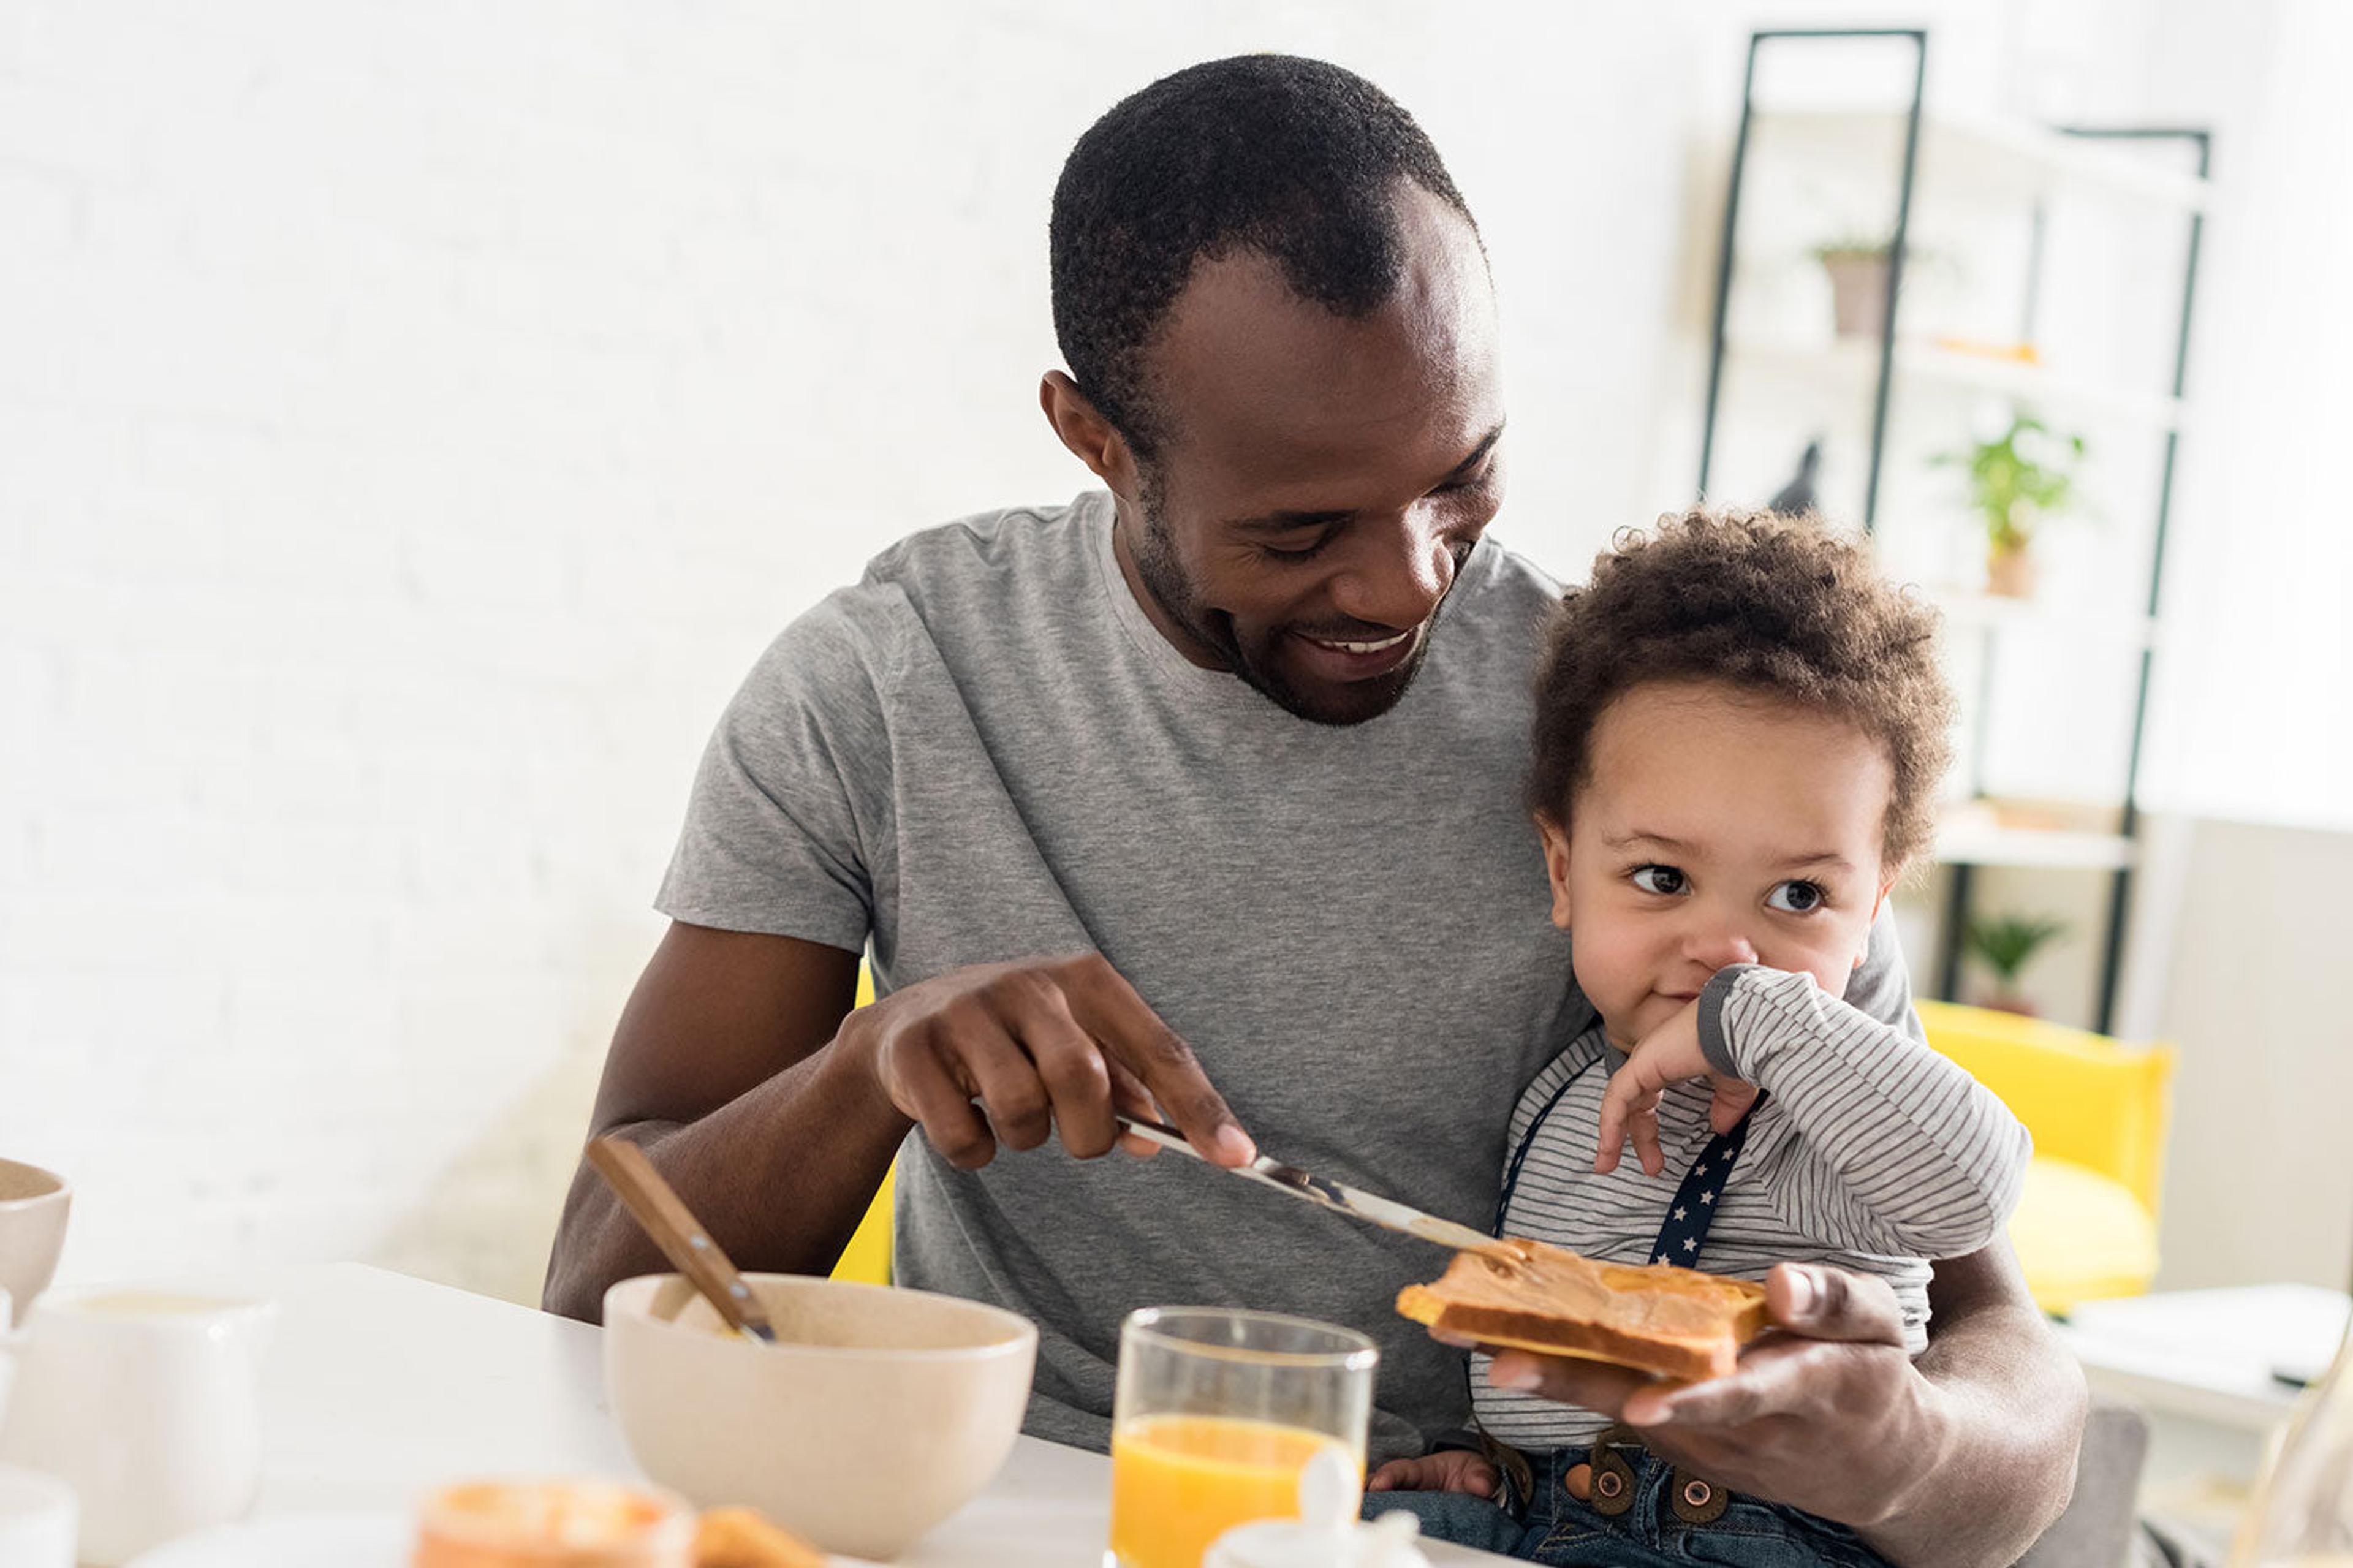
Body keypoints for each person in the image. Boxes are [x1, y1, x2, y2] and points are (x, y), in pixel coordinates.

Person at [542, 55, 2085, 1566]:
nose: (1410, 579)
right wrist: (868, 1063)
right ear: (1096, 438)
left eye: (1461, 479)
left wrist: (1902, 1449)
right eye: (1302, 528)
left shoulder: (1653, 733)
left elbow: (2008, 1384)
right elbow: (595, 1288)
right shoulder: (888, 686)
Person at [1363, 510, 2031, 1566]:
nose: (1727, 948)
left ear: (1874, 914)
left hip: (1770, 1537)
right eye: (1662, 878)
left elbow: (1974, 1190)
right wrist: (1486, 1456)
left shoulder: (1826, 1116)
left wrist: (1763, 1015)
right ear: (1561, 870)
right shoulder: (1559, 1092)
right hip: (1548, 1517)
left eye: (1800, 895)